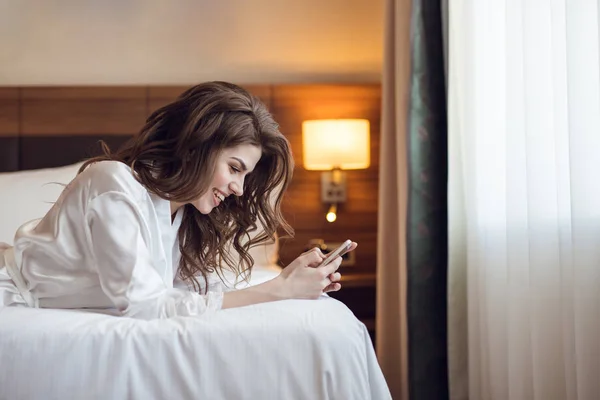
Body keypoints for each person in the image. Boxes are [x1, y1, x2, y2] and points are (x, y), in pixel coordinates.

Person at [0, 81, 356, 319]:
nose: (239, 189)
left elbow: (201, 298)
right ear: (197, 147)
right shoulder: (111, 184)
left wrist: (287, 279)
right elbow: (146, 306)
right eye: (234, 168)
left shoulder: (184, 217)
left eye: (245, 176)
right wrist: (278, 291)